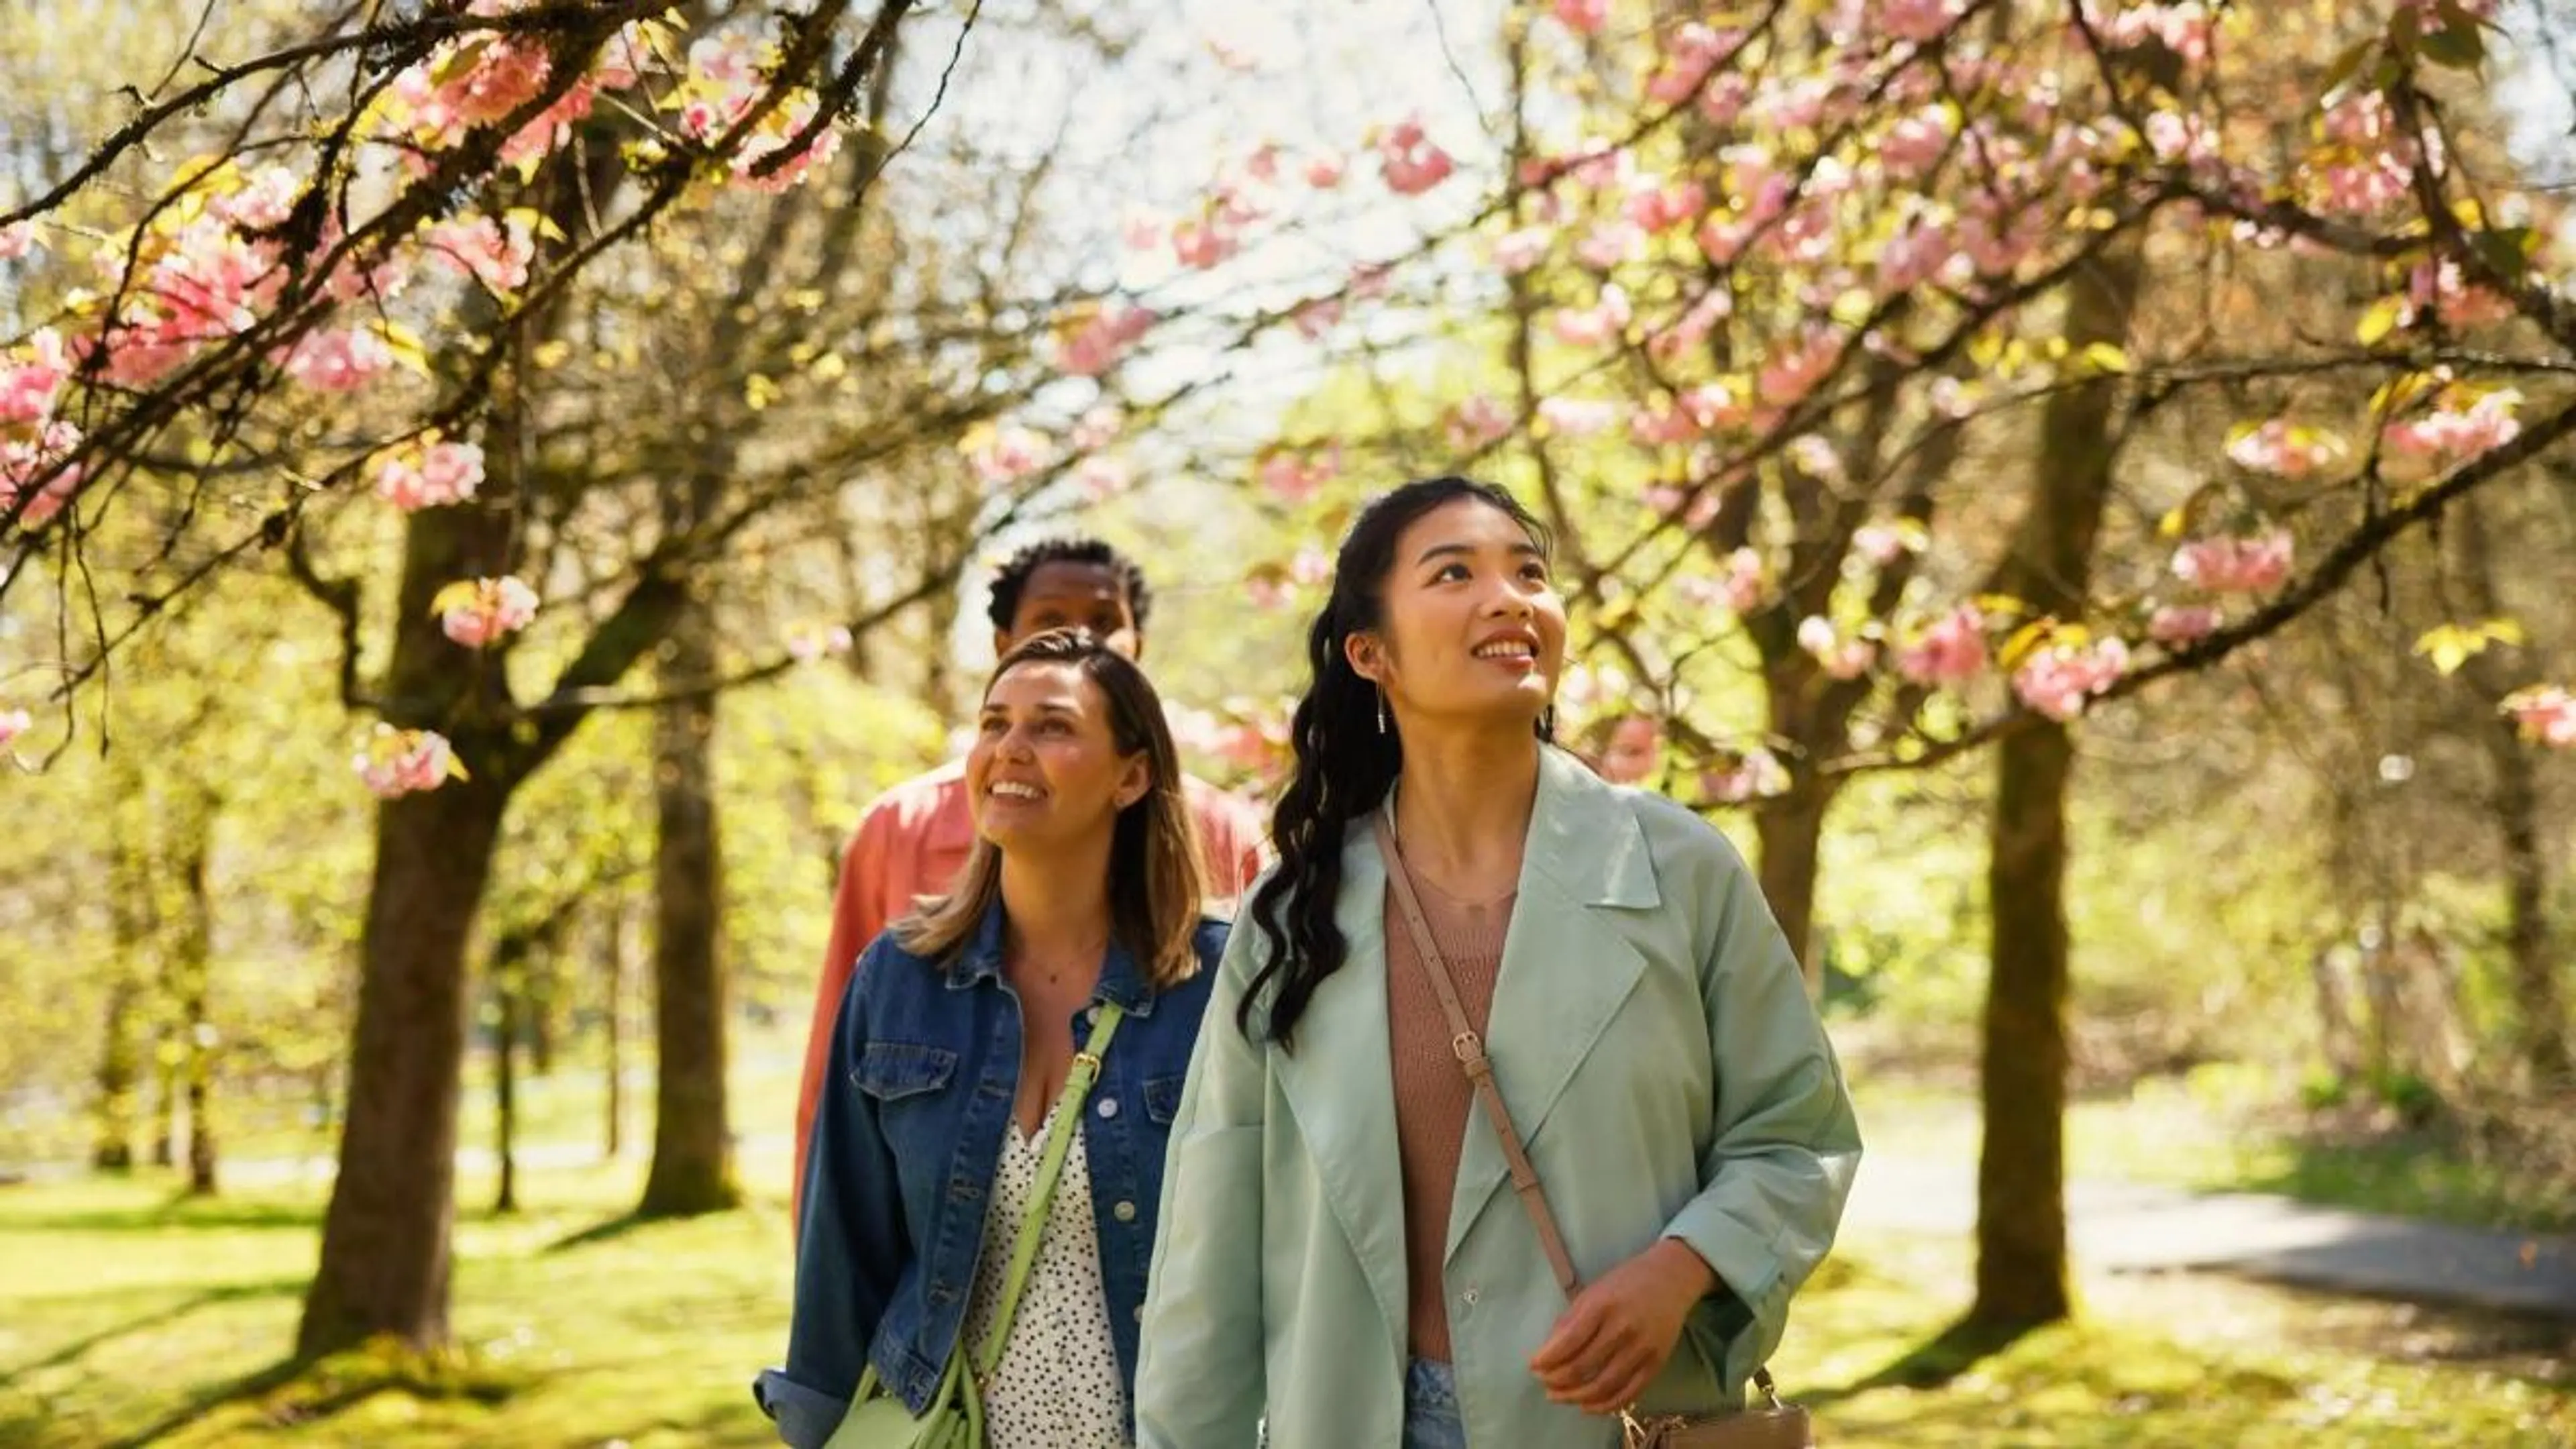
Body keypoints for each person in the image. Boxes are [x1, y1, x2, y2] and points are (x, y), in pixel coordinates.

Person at [1134, 476, 1861, 1448]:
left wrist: (1682, 1268)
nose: (1511, 597)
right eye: (1454, 573)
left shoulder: (1678, 870)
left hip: (1616, 1426)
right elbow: (1210, 1243)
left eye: (1529, 573)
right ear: (1371, 653)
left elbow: (1797, 1136)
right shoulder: (1291, 915)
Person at [759, 629, 1226, 1449]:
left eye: (1051, 726)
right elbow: (844, 1254)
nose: (1010, 749)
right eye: (992, 724)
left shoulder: (1216, 986)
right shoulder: (898, 981)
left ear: (1133, 775)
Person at [793, 537, 1266, 1222]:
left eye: (1105, 621)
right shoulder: (900, 828)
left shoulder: (1221, 828)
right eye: (1051, 620)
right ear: (1004, 642)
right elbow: (836, 1090)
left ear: (1138, 643)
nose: (1079, 635)